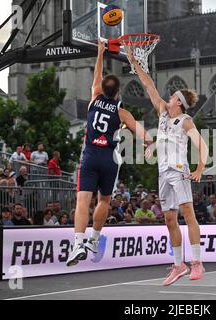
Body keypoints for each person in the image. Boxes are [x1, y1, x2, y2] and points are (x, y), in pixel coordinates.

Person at [66, 40, 153, 267]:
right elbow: (141, 131)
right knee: (104, 200)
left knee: (83, 200)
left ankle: (77, 244)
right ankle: (93, 240)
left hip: (90, 155)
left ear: (102, 88)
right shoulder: (122, 112)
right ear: (118, 92)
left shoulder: (94, 99)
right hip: (110, 158)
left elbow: (97, 74)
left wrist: (100, 52)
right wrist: (148, 143)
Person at [128, 47, 209, 285]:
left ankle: (197, 262)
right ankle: (178, 265)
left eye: (173, 96)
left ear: (179, 103)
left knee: (188, 214)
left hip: (179, 170)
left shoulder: (185, 121)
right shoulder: (163, 112)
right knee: (169, 220)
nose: (169, 96)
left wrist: (200, 169)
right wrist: (134, 61)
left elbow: (202, 145)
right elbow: (149, 85)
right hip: (163, 173)